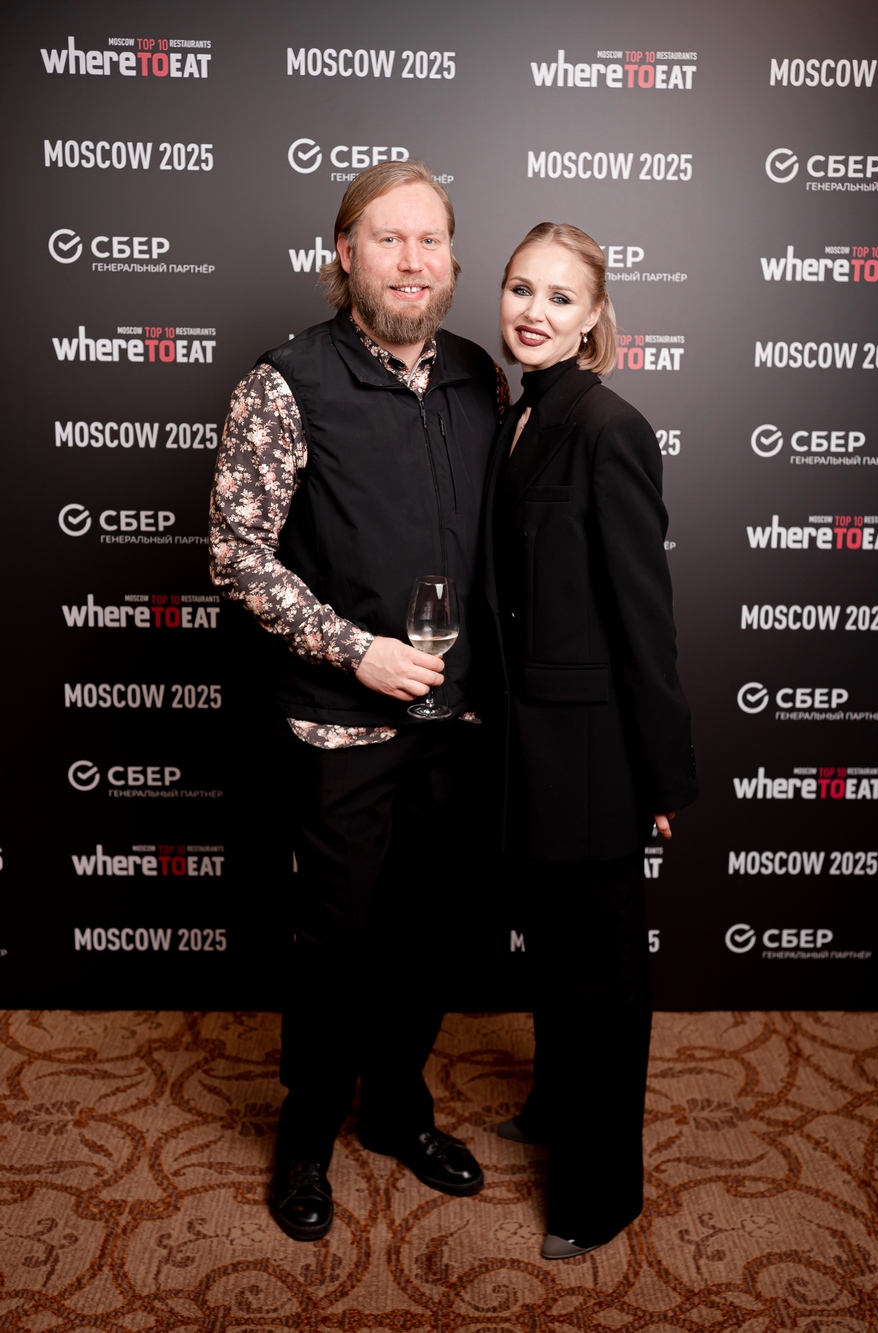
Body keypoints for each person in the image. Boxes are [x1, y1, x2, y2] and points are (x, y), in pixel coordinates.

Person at [209, 161, 508, 1242]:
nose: (412, 261)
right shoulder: (284, 382)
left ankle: (398, 1108)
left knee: (428, 933)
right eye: (389, 239)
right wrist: (357, 651)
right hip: (339, 721)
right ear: (345, 253)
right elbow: (236, 554)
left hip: (458, 720)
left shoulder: (480, 376)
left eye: (430, 240)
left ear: (452, 259)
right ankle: (306, 1133)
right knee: (336, 941)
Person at [485, 223, 697, 1260]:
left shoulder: (613, 427)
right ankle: (554, 1102)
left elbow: (642, 618)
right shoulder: (519, 416)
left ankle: (599, 1194)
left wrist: (659, 774)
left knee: (601, 981)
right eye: (522, 289)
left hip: (595, 758)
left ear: (595, 317)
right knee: (555, 954)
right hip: (525, 749)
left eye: (561, 298)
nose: (535, 312)